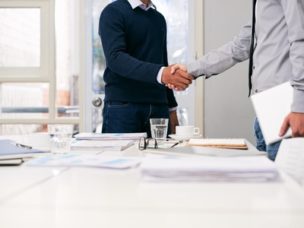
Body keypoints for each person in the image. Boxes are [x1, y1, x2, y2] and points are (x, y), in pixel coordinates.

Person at [171, 0, 304, 160]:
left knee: (287, 182)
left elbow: (301, 39)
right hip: (265, 110)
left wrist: (299, 107)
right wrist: (191, 69)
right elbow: (241, 45)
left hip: (286, 110)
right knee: (269, 181)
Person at [98, 0, 193, 136]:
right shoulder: (113, 12)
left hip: (159, 108)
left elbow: (163, 63)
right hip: (123, 107)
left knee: (163, 156)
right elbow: (116, 59)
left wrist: (172, 109)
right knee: (122, 157)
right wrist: (162, 73)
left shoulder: (158, 19)